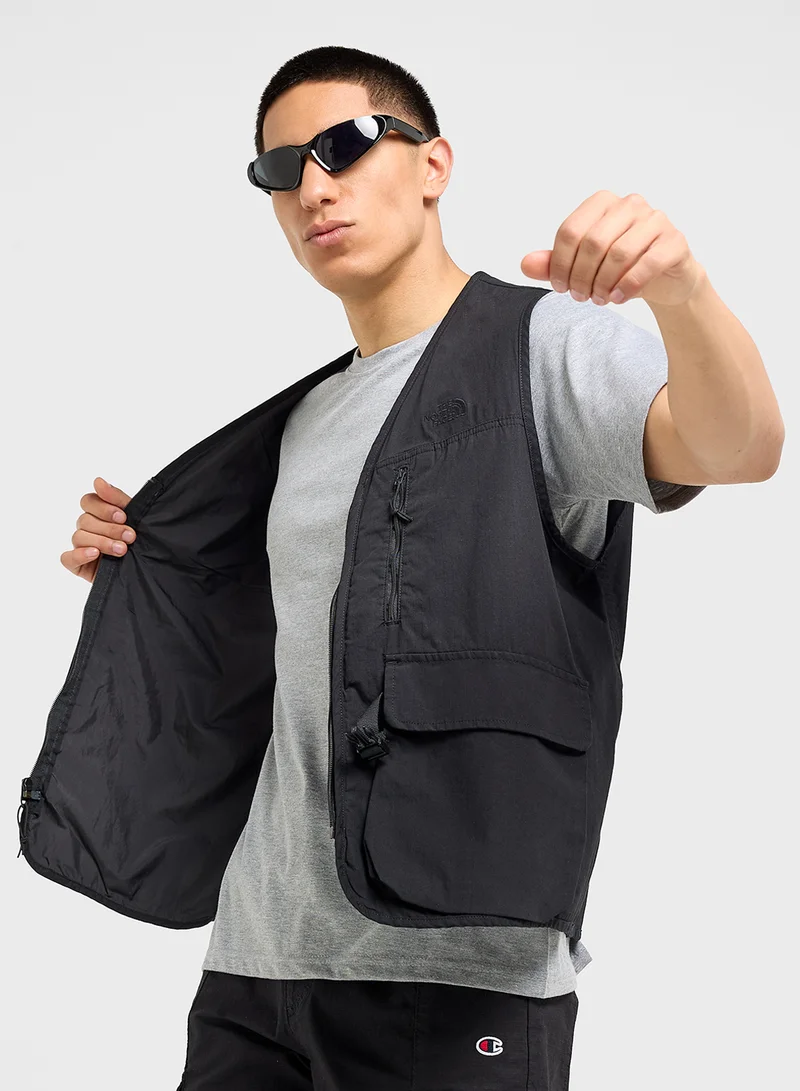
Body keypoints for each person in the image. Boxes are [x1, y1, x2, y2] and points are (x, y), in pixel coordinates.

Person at [59, 45, 783, 1091]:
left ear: (433, 163)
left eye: (344, 146)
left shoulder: (542, 349)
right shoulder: (301, 423)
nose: (313, 187)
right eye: (280, 170)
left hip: (453, 982)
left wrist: (684, 292)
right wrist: (151, 581)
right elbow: (310, 650)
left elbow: (738, 448)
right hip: (254, 970)